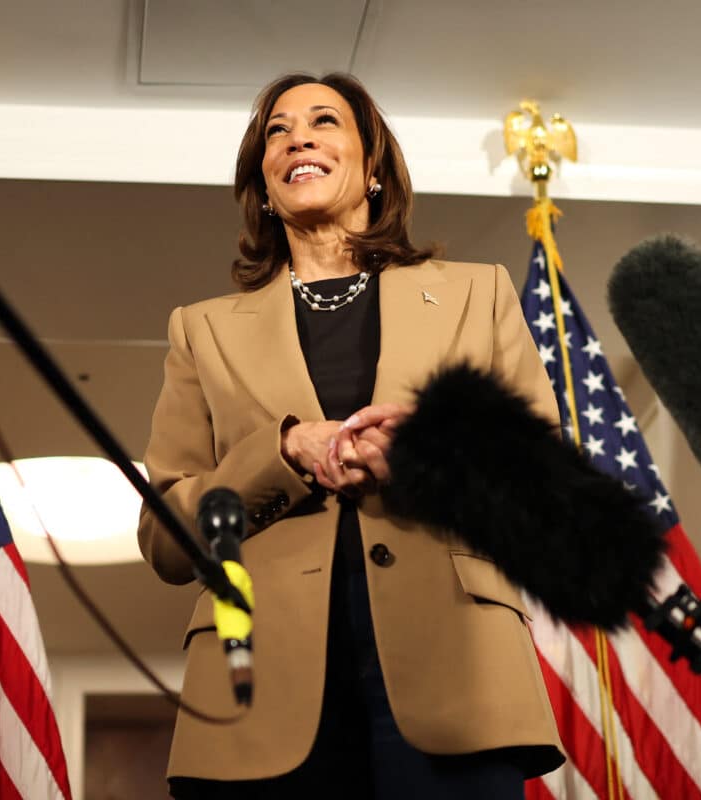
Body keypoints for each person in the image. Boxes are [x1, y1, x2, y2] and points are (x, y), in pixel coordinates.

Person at [138, 72, 565, 799]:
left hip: (456, 667)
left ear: (372, 169)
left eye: (323, 121)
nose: (297, 136)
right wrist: (282, 455)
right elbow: (164, 539)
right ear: (265, 189)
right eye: (277, 130)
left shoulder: (478, 292)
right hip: (255, 688)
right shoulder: (199, 329)